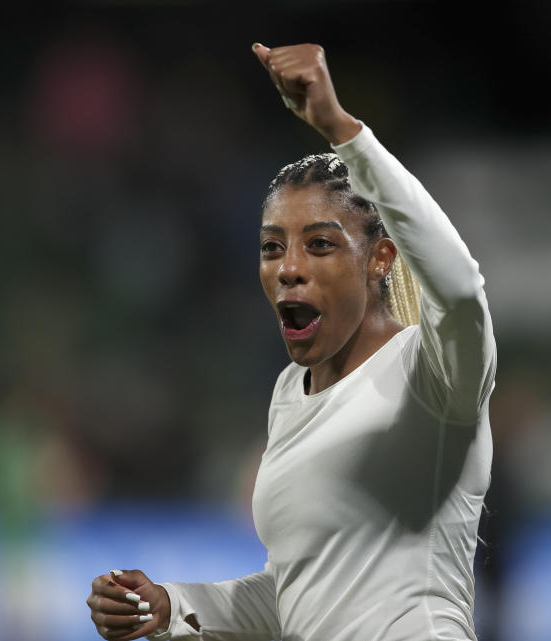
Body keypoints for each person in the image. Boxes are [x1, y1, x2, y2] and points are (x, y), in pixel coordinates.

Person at [86, 42, 497, 641]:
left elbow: (460, 290)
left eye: (321, 245)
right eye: (273, 247)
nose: (288, 267)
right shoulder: (289, 394)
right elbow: (297, 599)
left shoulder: (432, 374)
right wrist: (171, 607)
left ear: (380, 258)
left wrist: (343, 131)